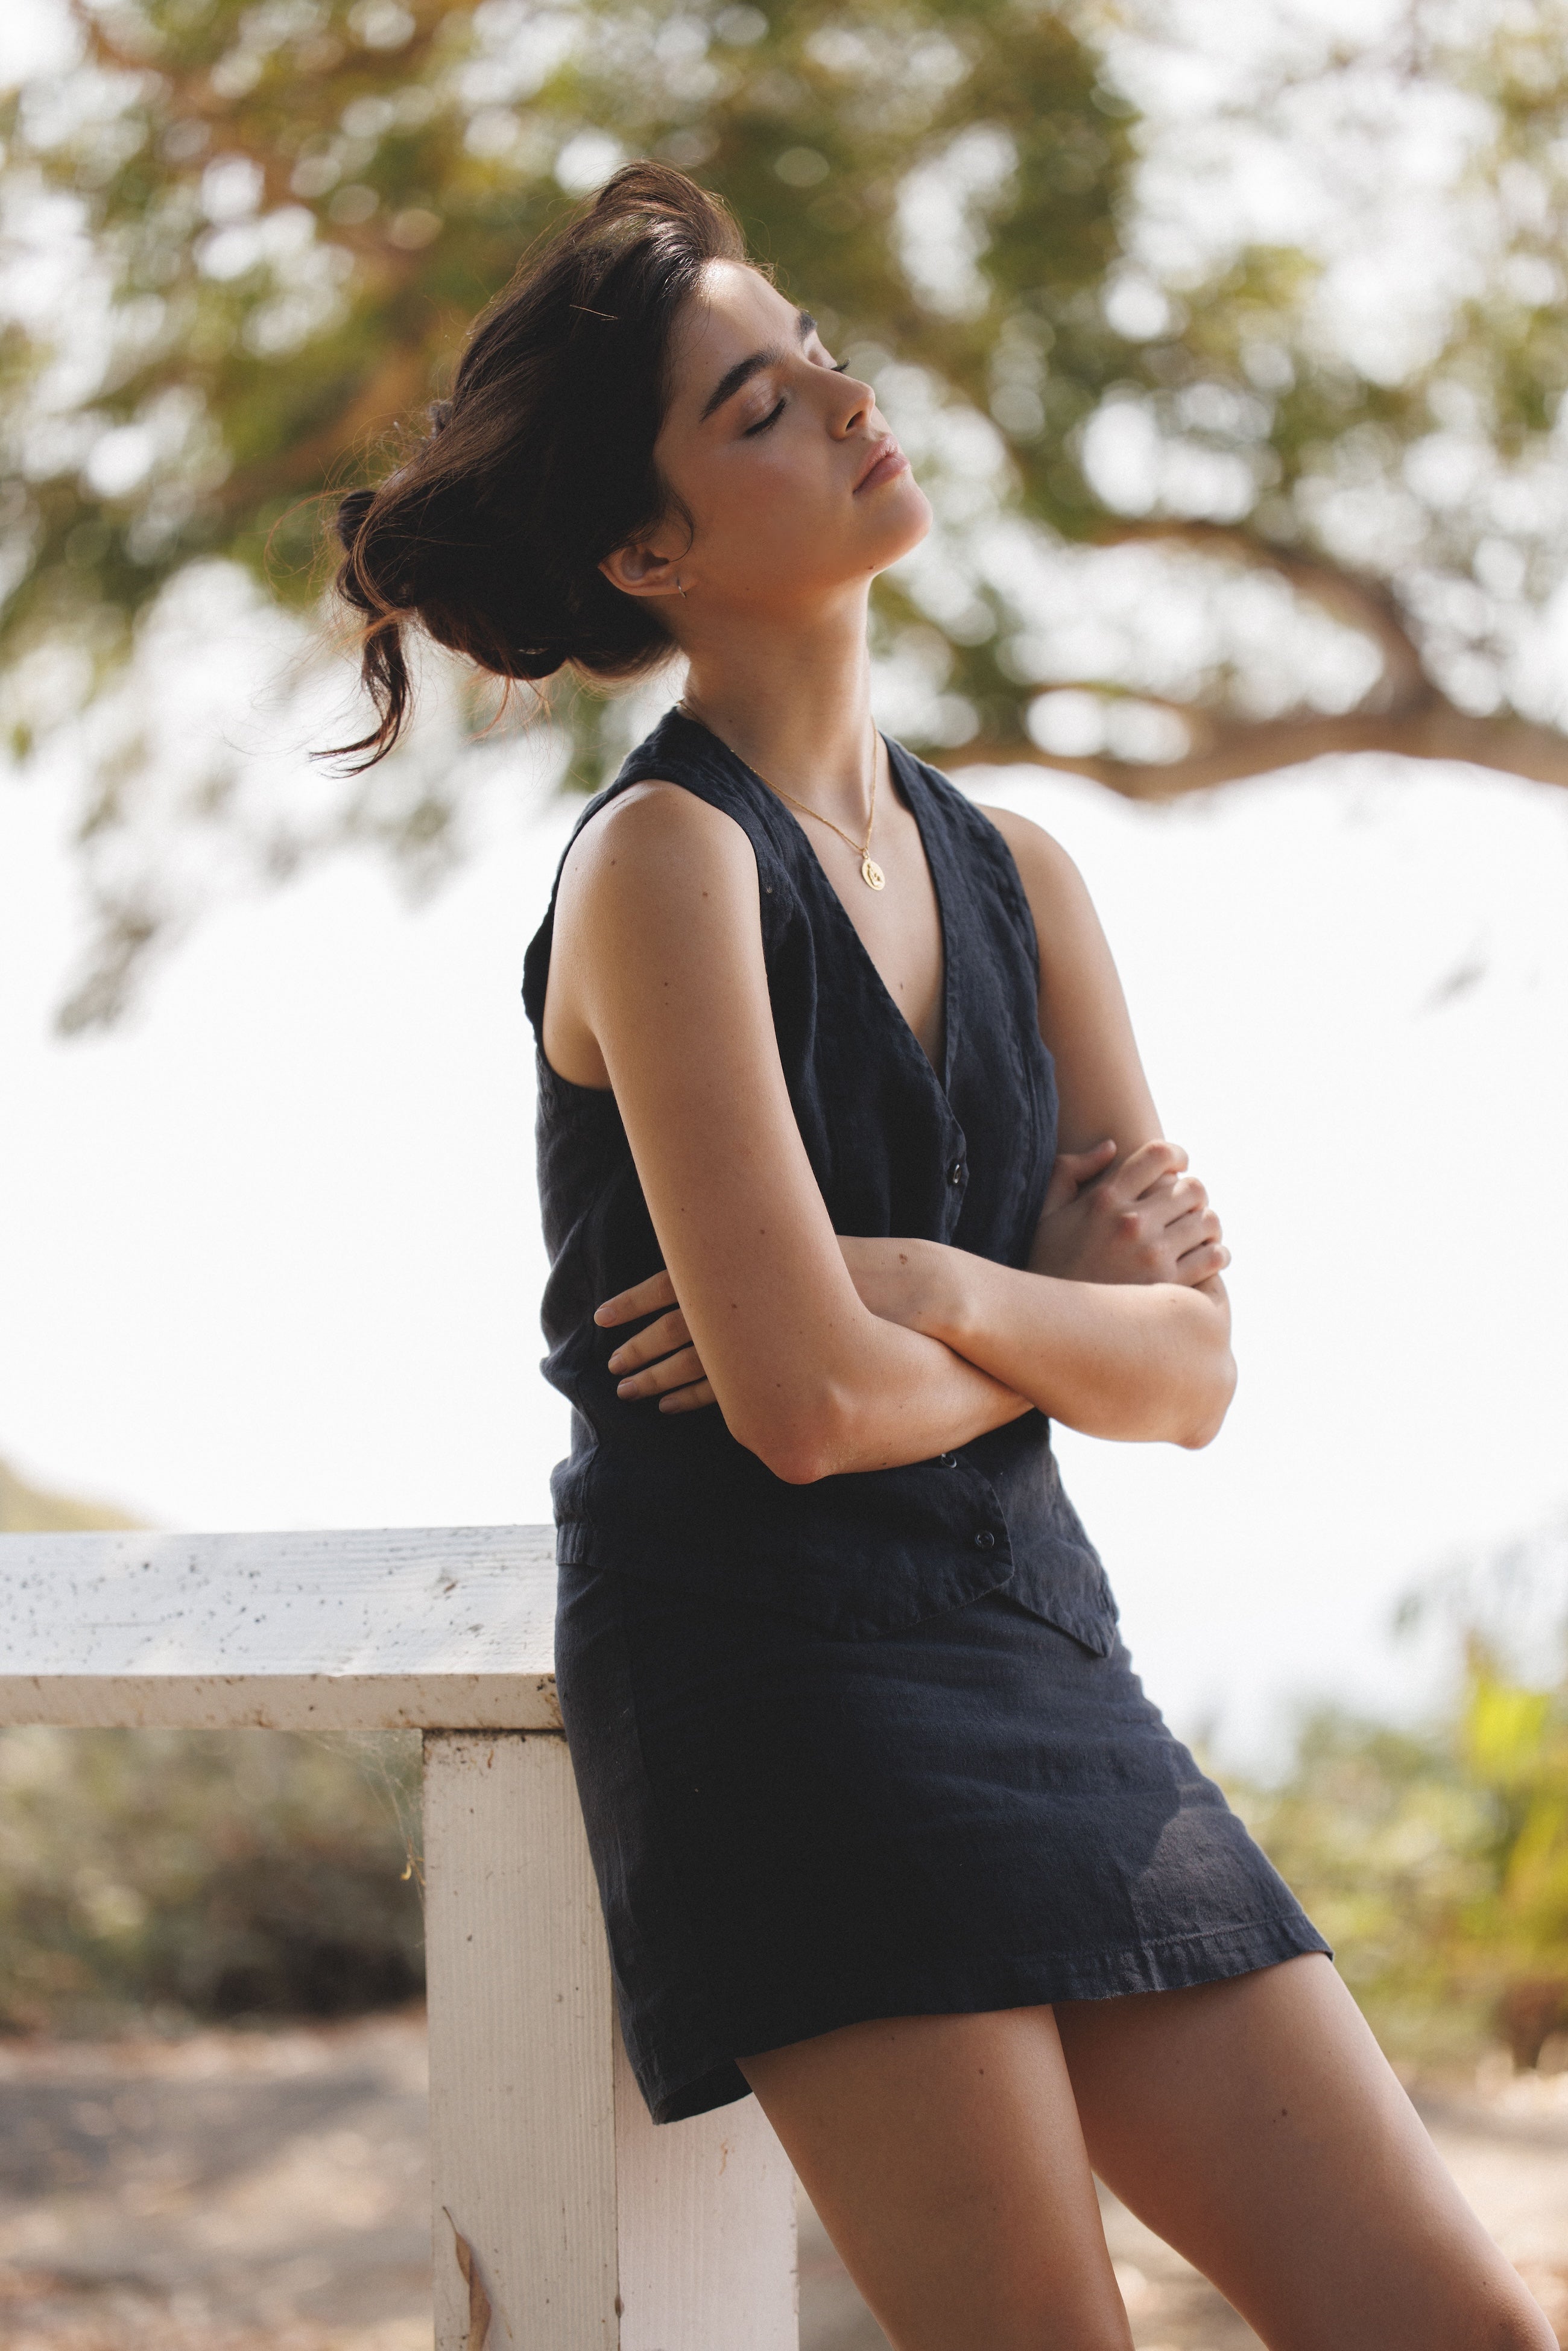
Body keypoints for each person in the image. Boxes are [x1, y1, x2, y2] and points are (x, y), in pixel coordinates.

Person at [329, 164, 1551, 2351]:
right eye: (758, 404)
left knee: (1457, 2322)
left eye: (815, 358)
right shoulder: (664, 868)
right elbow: (799, 1415)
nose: (844, 396)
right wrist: (1053, 1318)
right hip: (781, 1705)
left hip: (1043, 1664)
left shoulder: (1028, 874)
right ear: (652, 549)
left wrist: (942, 1288)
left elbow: (1195, 1376)